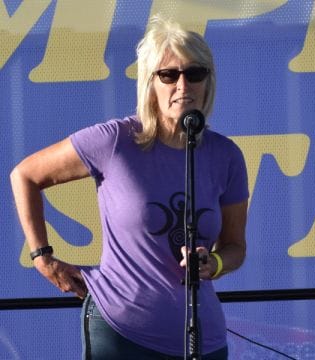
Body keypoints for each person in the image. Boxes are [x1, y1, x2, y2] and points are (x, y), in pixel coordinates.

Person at [10, 15, 248, 360]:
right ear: (150, 82)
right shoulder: (115, 141)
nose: (183, 86)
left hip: (203, 339)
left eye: (194, 74)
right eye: (169, 74)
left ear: (208, 82)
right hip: (122, 335)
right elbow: (26, 175)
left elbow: (236, 246)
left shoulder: (225, 155)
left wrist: (213, 262)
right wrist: (42, 258)